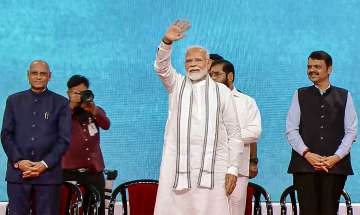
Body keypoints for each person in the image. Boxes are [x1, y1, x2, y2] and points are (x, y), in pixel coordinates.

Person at [153, 20, 243, 215]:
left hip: (214, 171)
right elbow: (161, 68)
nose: (193, 65)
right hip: (176, 168)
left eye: (198, 60)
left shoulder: (222, 92)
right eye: (188, 61)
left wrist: (233, 169)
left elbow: (235, 134)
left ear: (208, 63)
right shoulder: (176, 85)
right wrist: (166, 42)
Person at [286, 51, 358, 215]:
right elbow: (291, 130)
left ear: (329, 69)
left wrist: (336, 157)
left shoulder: (344, 95)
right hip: (304, 166)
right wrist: (307, 154)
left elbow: (351, 132)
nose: (312, 70)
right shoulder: (299, 94)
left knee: (329, 210)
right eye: (309, 66)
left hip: (335, 167)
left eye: (317, 67)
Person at [1, 60, 71, 215]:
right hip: (18, 175)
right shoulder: (13, 101)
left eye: (43, 74)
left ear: (49, 76)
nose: (38, 77)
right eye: (34, 73)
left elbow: (64, 139)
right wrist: (19, 162)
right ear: (28, 75)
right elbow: (6, 135)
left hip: (48, 176)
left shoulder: (61, 103)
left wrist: (44, 164)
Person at [210, 59, 261, 215]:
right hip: (210, 169)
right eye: (210, 75)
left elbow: (255, 132)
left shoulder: (246, 102)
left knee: (235, 211)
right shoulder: (204, 101)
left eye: (217, 74)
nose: (212, 78)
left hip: (238, 169)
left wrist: (227, 136)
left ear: (230, 76)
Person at [62, 75, 110, 215]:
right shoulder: (61, 111)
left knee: (98, 210)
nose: (80, 96)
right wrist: (72, 106)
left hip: (94, 171)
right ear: (69, 93)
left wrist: (93, 110)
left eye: (83, 92)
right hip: (68, 173)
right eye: (76, 92)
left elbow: (106, 124)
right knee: (68, 209)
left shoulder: (93, 110)